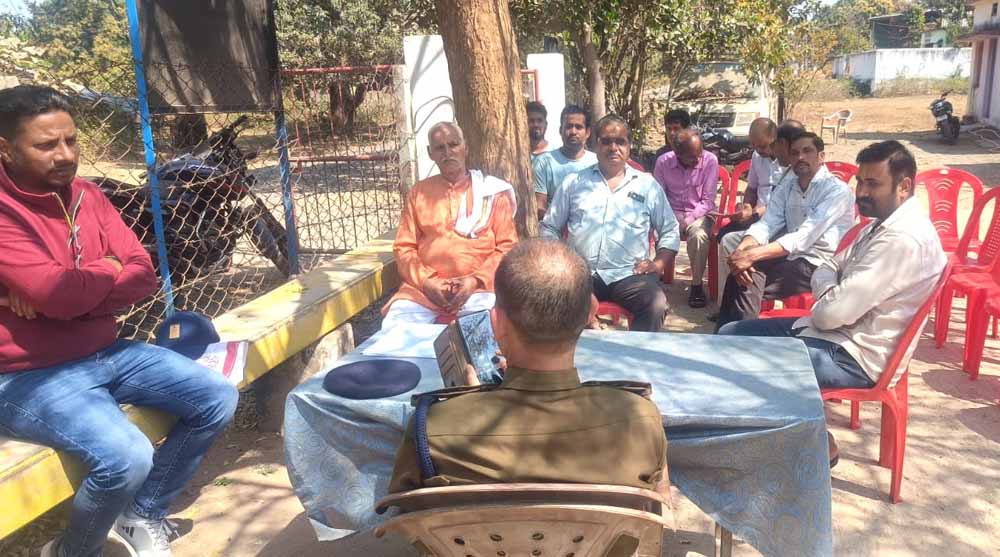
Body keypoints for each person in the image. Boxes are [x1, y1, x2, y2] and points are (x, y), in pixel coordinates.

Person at [0, 85, 238, 557]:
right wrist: (104, 272)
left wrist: (69, 293)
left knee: (217, 396)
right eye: (46, 145)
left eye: (71, 140)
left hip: (106, 349)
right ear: (5, 149)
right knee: (126, 457)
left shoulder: (88, 195)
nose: (65, 155)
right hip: (27, 375)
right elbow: (61, 294)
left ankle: (141, 515)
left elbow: (142, 273)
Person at [719, 140, 947, 464]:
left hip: (852, 354)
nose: (862, 192)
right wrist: (831, 284)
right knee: (729, 335)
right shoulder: (881, 223)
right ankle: (798, 437)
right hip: (831, 333)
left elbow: (829, 312)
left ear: (904, 186)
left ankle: (808, 446)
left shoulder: (903, 239)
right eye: (860, 182)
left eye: (873, 184)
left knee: (745, 357)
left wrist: (828, 287)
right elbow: (829, 265)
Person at [388, 238, 669, 492]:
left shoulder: (431, 429)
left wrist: (468, 402)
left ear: (496, 323)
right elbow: (660, 506)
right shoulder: (642, 420)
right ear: (589, 314)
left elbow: (403, 507)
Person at [541, 114, 680, 332]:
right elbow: (549, 227)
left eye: (620, 142)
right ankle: (578, 350)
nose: (613, 148)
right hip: (581, 275)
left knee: (656, 304)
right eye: (606, 141)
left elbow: (670, 229)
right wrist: (563, 263)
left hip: (630, 275)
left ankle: (636, 353)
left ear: (629, 145)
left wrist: (658, 264)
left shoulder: (647, 185)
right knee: (552, 299)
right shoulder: (574, 183)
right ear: (595, 145)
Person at [382, 122, 518, 327]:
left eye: (453, 145)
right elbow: (404, 248)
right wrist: (427, 282)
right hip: (423, 291)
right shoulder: (419, 193)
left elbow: (508, 247)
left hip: (480, 289)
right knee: (396, 328)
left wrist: (475, 280)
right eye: (439, 148)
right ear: (431, 153)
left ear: (465, 147)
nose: (447, 153)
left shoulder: (492, 192)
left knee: (486, 329)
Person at [715, 131, 854, 330]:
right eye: (795, 153)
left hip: (819, 262)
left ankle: (738, 339)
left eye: (807, 151)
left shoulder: (836, 191)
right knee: (740, 273)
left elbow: (803, 236)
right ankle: (727, 336)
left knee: (748, 279)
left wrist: (751, 255)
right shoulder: (788, 186)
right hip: (791, 255)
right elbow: (767, 223)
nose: (800, 157)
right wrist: (742, 250)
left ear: (821, 157)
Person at [711, 119, 803, 307]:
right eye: (754, 145)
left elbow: (780, 210)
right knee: (725, 238)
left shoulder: (793, 166)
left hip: (779, 224)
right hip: (759, 219)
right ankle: (726, 303)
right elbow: (751, 189)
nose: (758, 150)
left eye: (763, 145)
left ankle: (747, 301)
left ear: (777, 140)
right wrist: (746, 207)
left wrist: (755, 215)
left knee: (737, 245)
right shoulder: (757, 157)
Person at [653, 129, 718, 308]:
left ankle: (696, 285)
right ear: (677, 153)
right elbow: (659, 198)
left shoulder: (710, 160)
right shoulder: (663, 162)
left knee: (698, 236)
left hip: (700, 213)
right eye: (691, 157)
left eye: (699, 154)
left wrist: (687, 221)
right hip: (670, 213)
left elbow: (708, 201)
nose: (697, 160)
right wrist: (673, 220)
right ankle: (653, 279)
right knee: (653, 231)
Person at [532, 104, 597, 220]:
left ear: (587, 132)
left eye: (578, 127)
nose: (573, 132)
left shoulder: (597, 162)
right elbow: (539, 208)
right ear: (560, 130)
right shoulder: (543, 163)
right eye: (568, 127)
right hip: (555, 228)